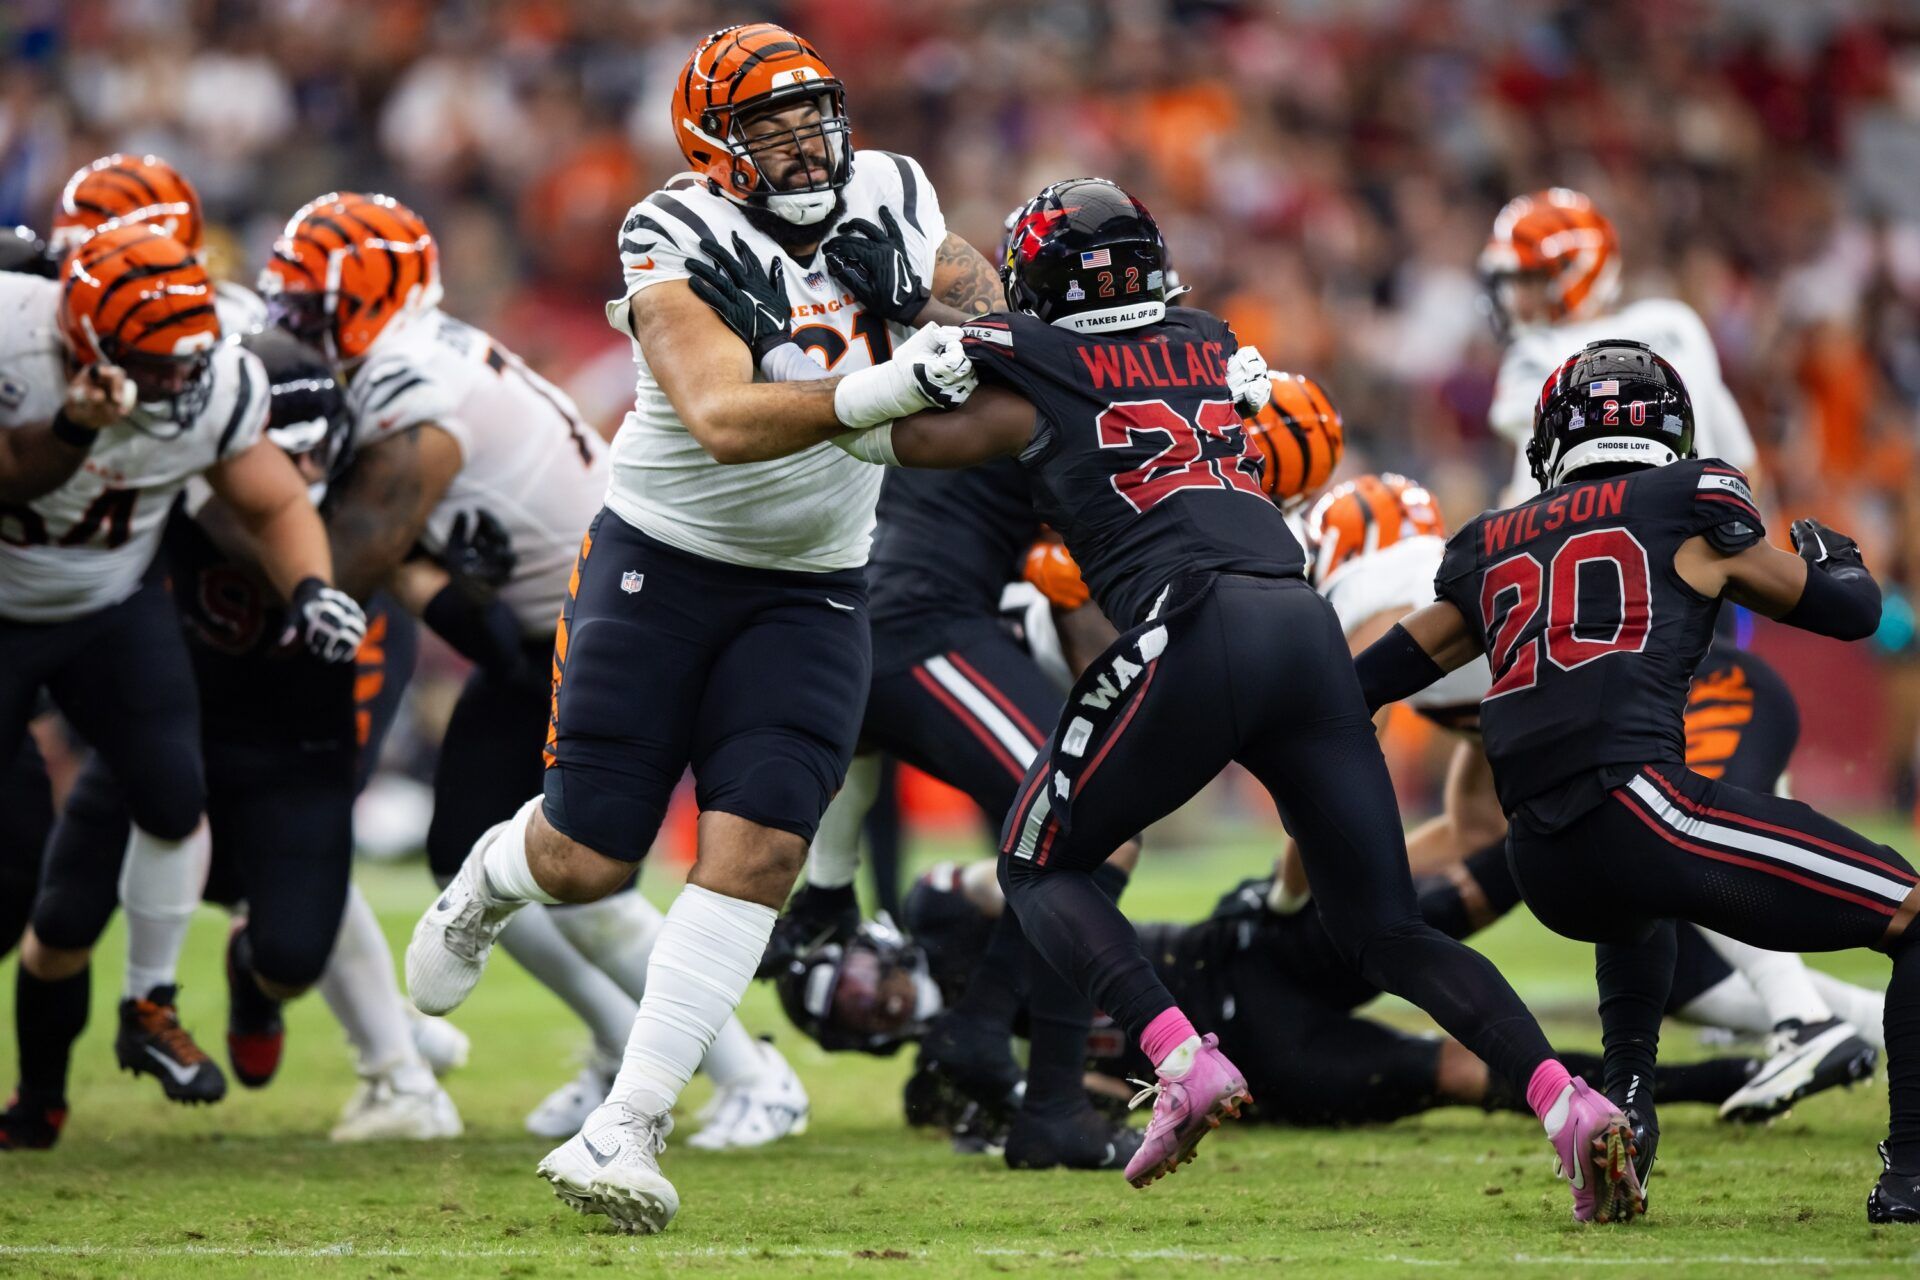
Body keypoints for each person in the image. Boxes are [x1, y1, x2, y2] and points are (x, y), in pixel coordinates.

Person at [768, 174, 1621, 1216]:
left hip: (1195, 626)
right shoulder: (1211, 339)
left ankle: (1177, 1054)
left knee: (1040, 861)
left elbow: (885, 434)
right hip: (1299, 625)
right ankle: (1566, 1100)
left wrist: (864, 363)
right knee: (1389, 929)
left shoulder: (1031, 354)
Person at [404, 21, 989, 1233]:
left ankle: (629, 1121)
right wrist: (897, 383)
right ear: (714, 146)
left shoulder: (893, 188)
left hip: (817, 577)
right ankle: (488, 879)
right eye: (768, 124)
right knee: (593, 853)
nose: (803, 141)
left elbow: (975, 294)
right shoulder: (672, 228)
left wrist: (1041, 325)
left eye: (813, 112)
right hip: (663, 563)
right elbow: (722, 414)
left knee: (763, 848)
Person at [259, 187, 810, 1150]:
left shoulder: (411, 381)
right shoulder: (419, 357)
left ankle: (750, 1075)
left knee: (571, 864)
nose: (294, 327)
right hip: (546, 630)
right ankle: (623, 1054)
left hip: (601, 621)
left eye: (310, 306)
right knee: (476, 859)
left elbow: (353, 554)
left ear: (369, 295)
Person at [1355, 337, 1920, 1224]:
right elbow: (1850, 612)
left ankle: (1626, 1114)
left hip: (1538, 855)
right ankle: (1913, 1173)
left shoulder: (1490, 543)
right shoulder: (1687, 500)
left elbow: (1377, 674)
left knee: (1634, 905)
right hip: (1640, 806)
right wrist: (1838, 556)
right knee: (1909, 910)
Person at [4, 329, 462, 1148]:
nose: (297, 479)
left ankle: (255, 981)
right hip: (167, 732)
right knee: (61, 923)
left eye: (307, 459)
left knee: (291, 956)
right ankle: (39, 1100)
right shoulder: (165, 494)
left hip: (294, 760)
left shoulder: (365, 523)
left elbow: (389, 639)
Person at [1479, 187, 1875, 1078]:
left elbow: (1538, 454)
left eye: (1531, 278)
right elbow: (1735, 458)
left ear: (1578, 272)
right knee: (1691, 832)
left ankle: (1804, 1024)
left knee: (1676, 820)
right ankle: (1824, 1022)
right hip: (1686, 580)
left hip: (1628, 607)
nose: (1515, 300)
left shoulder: (1592, 349)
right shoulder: (1666, 333)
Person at [0, 223, 363, 1130]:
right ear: (83, 339)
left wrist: (311, 587)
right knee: (12, 883)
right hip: (5, 606)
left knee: (171, 791)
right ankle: (41, 1096)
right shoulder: (11, 341)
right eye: (152, 365)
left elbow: (272, 495)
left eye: (184, 361)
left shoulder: (219, 379)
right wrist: (77, 422)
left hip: (108, 604)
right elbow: (12, 477)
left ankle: (149, 1004)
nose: (176, 381)